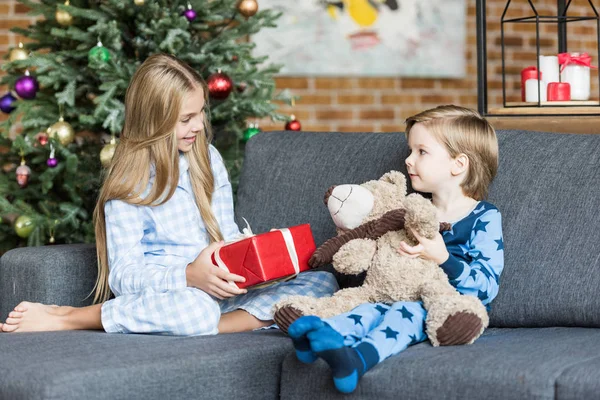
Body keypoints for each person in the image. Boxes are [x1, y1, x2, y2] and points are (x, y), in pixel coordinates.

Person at [0, 53, 338, 335]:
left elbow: (226, 233)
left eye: (201, 113)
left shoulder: (208, 158)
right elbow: (124, 278)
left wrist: (255, 261)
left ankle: (211, 325)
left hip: (221, 292)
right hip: (175, 294)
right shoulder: (130, 183)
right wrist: (190, 276)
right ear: (154, 121)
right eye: (186, 119)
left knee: (322, 283)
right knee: (194, 310)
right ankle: (69, 317)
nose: (199, 125)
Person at [286, 105, 504, 393]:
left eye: (421, 152)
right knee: (367, 311)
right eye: (410, 150)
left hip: (444, 306)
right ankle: (318, 337)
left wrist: (444, 259)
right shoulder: (408, 211)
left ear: (458, 164)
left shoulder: (484, 217)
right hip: (392, 294)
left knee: (404, 313)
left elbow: (487, 286)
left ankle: (357, 360)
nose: (408, 160)